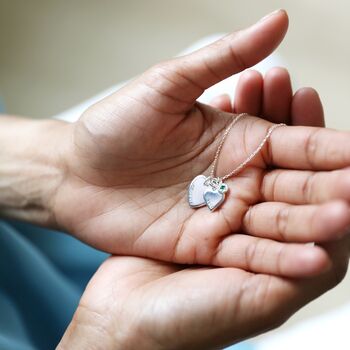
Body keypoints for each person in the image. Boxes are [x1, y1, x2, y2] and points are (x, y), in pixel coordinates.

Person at [1, 9, 349, 349]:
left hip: (53, 232)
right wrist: (108, 336)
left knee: (257, 84)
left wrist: (60, 166)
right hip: (92, 307)